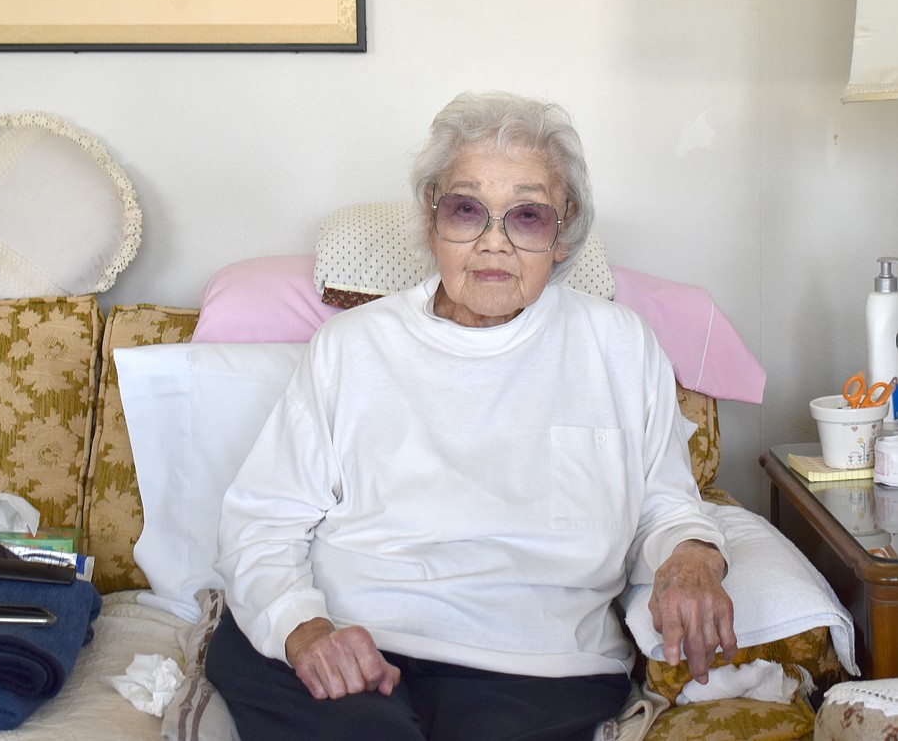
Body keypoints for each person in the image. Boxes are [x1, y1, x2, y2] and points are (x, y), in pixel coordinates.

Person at [206, 91, 737, 741]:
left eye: (528, 216)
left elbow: (667, 507)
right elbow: (263, 522)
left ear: (563, 229)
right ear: (433, 219)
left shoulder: (619, 346)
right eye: (467, 210)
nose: (494, 243)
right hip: (347, 638)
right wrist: (305, 628)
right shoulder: (354, 346)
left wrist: (691, 560)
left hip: (536, 668)